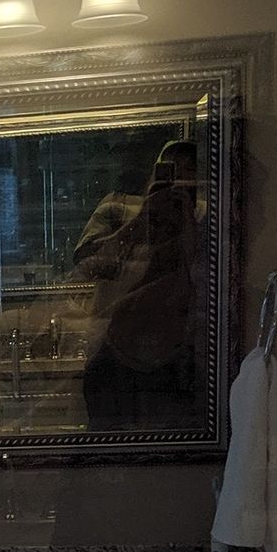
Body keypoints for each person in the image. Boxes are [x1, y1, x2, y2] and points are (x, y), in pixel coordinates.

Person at [75, 137, 203, 429]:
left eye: (188, 177)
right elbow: (85, 264)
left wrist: (189, 225)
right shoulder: (116, 209)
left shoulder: (205, 216)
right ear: (154, 173)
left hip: (179, 357)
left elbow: (202, 281)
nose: (178, 183)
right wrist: (142, 219)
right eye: (170, 173)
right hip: (113, 350)